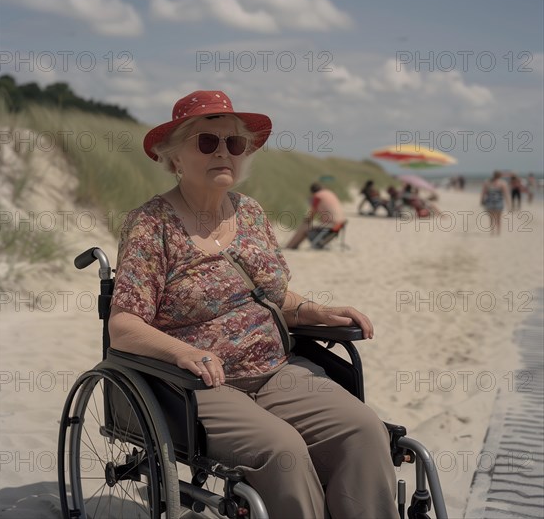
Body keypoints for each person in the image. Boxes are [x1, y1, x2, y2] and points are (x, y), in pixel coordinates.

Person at [108, 90, 399, 519]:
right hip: (198, 386)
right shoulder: (151, 225)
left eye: (234, 143)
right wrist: (186, 353)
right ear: (174, 157)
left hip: (276, 369)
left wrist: (314, 311)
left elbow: (275, 296)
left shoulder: (250, 213)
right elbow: (124, 326)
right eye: (207, 141)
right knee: (282, 450)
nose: (223, 152)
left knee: (364, 430)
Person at [285, 182, 346, 249]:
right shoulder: (330, 193)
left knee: (304, 227)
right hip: (341, 224)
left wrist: (305, 221)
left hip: (332, 225)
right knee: (309, 226)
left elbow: (311, 215)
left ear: (312, 192)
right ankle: (292, 245)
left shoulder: (317, 196)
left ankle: (290, 246)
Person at [481, 171, 510, 235]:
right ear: (500, 176)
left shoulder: (487, 182)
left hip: (490, 202)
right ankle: (498, 231)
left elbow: (484, 192)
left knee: (491, 218)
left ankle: (492, 231)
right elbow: (506, 194)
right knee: (498, 218)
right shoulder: (502, 183)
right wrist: (508, 204)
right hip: (499, 202)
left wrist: (482, 200)